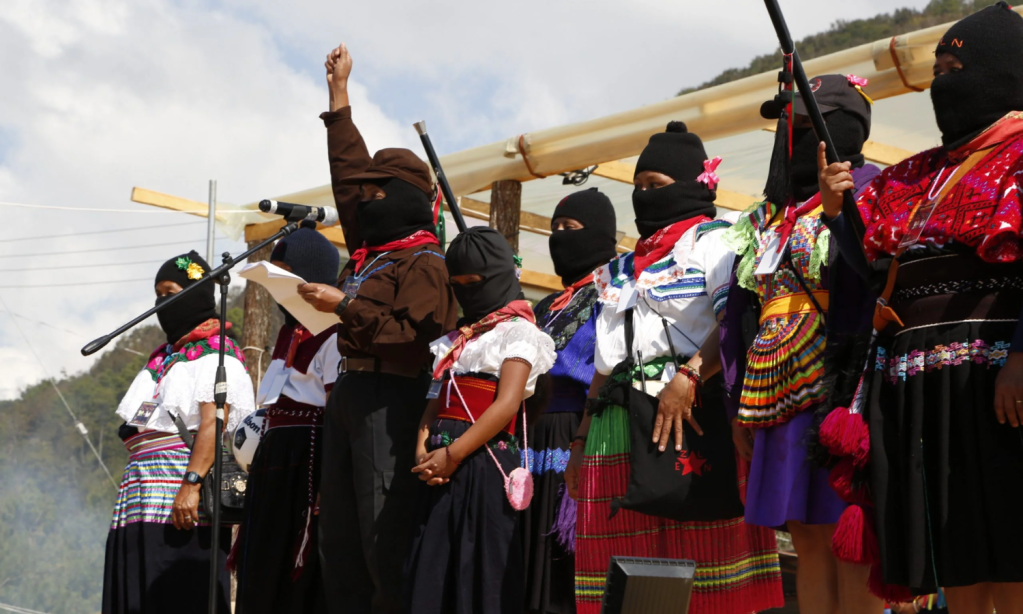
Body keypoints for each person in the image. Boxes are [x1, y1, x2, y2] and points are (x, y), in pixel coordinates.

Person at [818, 4, 1023, 612]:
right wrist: (837, 216)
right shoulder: (911, 175)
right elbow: (875, 273)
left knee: (1011, 543)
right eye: (936, 69)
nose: (941, 82)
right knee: (951, 548)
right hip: (918, 386)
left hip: (998, 385)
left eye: (955, 67)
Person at [565, 122, 784, 614]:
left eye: (656, 185)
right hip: (615, 425)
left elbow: (733, 323)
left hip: (690, 414)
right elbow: (605, 362)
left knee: (703, 554)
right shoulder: (618, 269)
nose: (644, 195)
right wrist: (580, 439)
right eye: (638, 186)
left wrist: (687, 377)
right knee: (622, 573)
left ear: (695, 185)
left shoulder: (721, 242)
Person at [297, 43, 458, 614]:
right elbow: (347, 171)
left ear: (408, 200)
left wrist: (345, 307)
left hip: (393, 396)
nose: (363, 200)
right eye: (363, 194)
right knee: (338, 540)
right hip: (352, 394)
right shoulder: (372, 249)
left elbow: (416, 336)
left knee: (380, 537)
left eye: (377, 192)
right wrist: (339, 98)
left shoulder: (426, 262)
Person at [718, 74, 882, 613]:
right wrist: (740, 401)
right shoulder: (773, 216)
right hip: (776, 391)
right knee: (805, 535)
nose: (790, 136)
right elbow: (742, 316)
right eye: (787, 125)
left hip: (844, 382)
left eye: (806, 125)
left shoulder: (874, 186)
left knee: (847, 533)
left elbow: (872, 281)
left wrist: (840, 213)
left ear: (843, 129)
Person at [404, 226, 557, 614]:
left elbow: (506, 404)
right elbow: (433, 403)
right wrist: (423, 449)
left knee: (480, 565)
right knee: (433, 564)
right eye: (458, 284)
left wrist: (452, 455)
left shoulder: (519, 333)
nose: (467, 291)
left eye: (475, 282)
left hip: (484, 462)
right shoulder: (458, 339)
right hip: (438, 466)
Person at [102, 250, 255, 614]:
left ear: (197, 293)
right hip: (140, 494)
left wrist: (191, 483)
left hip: (180, 495)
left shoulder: (217, 355)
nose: (161, 302)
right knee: (139, 593)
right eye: (157, 293)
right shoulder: (163, 358)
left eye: (170, 291)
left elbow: (212, 423)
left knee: (178, 591)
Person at [234, 222, 341, 614]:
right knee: (262, 565)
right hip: (273, 463)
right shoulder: (288, 333)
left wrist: (325, 487)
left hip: (306, 463)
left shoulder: (334, 332)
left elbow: (335, 410)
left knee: (295, 566)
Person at [523, 188, 618, 614]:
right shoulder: (545, 305)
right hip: (532, 431)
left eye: (571, 228)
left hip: (578, 430)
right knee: (526, 548)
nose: (560, 237)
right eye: (554, 229)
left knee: (565, 552)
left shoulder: (613, 294)